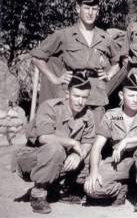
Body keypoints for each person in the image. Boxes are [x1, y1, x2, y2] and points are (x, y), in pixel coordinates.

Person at [31, 0, 121, 129]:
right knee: (69, 135)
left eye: (94, 9)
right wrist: (55, 78)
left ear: (98, 11)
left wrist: (109, 75)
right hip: (72, 95)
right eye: (86, 8)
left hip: (96, 96)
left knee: (95, 138)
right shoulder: (64, 35)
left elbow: (118, 61)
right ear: (78, 8)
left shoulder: (105, 38)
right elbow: (37, 57)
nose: (90, 12)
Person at [15, 73, 95, 214]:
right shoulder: (50, 107)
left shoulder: (88, 115)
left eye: (84, 97)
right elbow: (44, 137)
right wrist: (73, 143)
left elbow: (88, 142)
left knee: (90, 153)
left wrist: (79, 154)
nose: (80, 102)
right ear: (67, 94)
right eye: (76, 96)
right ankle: (38, 193)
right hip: (32, 159)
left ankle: (60, 190)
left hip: (58, 160)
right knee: (55, 149)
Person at [84, 70, 137, 212]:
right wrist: (94, 172)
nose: (135, 99)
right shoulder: (111, 115)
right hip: (121, 163)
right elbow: (97, 146)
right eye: (131, 95)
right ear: (121, 95)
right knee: (92, 188)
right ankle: (121, 188)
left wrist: (126, 141)